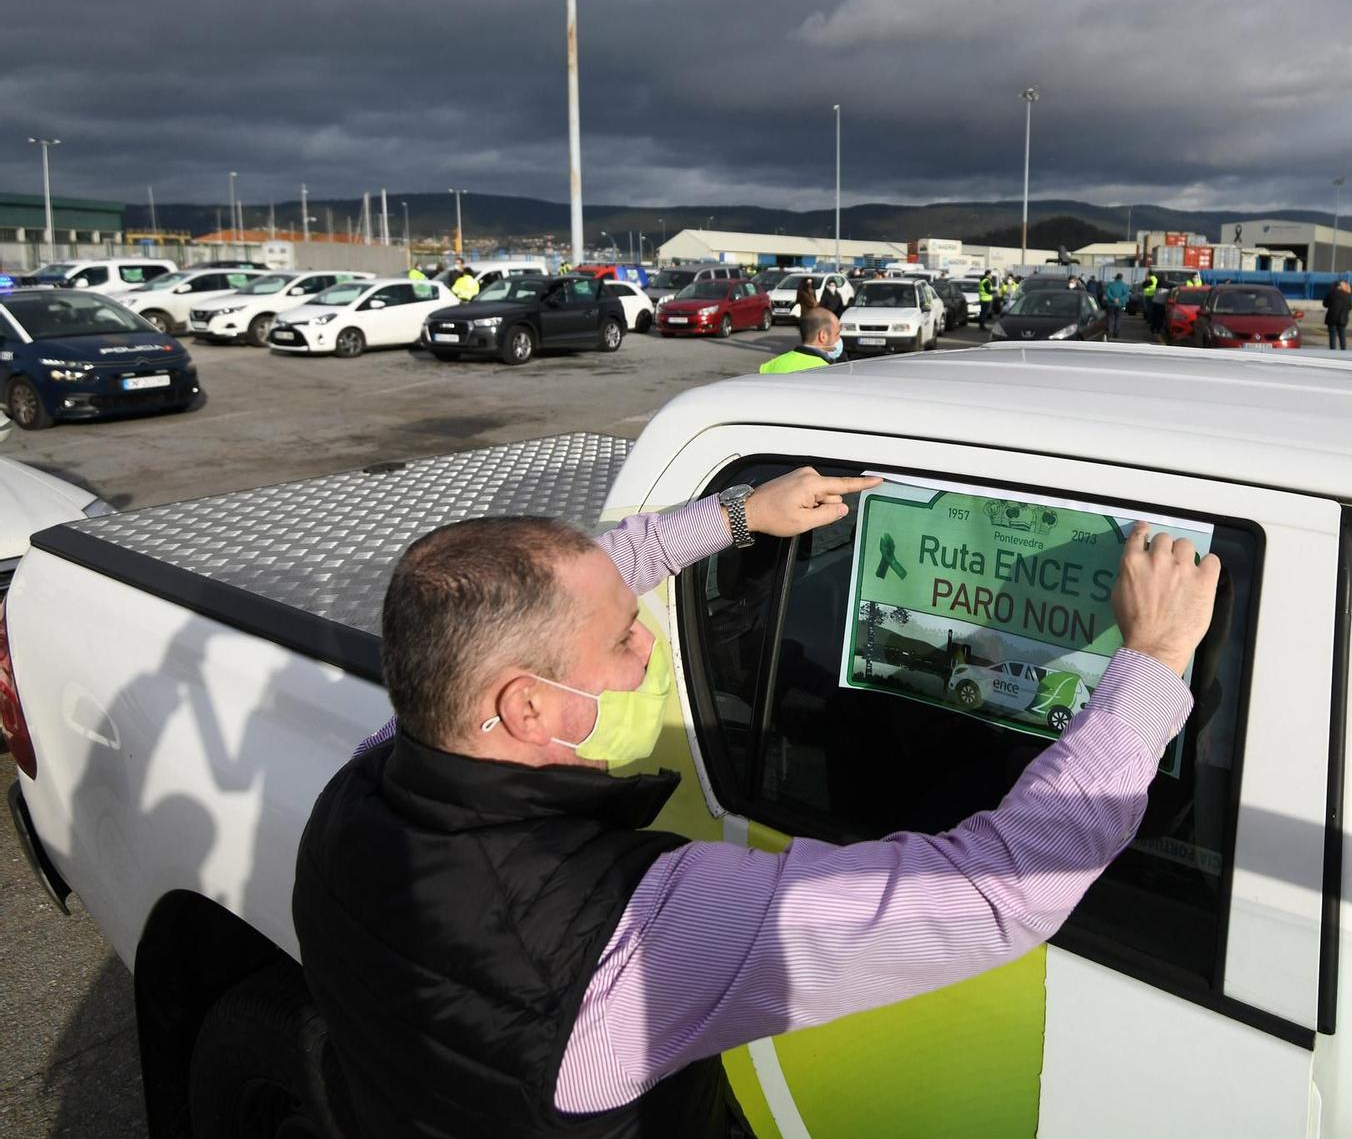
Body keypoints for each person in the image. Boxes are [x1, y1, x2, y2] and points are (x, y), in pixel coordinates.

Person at [293, 472, 1220, 1137]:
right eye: (623, 641)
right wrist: (1155, 661)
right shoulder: (633, 934)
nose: (647, 652)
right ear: (525, 706)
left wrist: (740, 513)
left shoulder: (362, 788)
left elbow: (567, 585)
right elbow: (998, 890)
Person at [759, 308, 841, 373]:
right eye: (837, 334)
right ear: (823, 336)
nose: (839, 339)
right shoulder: (829, 372)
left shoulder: (768, 367)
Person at [1324, 277, 1352, 350]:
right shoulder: (1347, 295)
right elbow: (1350, 307)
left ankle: (1333, 350)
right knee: (1342, 336)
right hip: (1343, 318)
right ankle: (1343, 350)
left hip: (1332, 318)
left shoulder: (1331, 293)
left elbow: (1325, 304)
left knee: (1332, 336)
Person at [1103, 273, 1130, 337]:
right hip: (1121, 305)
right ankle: (1116, 332)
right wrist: (1119, 299)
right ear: (1121, 278)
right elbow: (1126, 294)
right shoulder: (1125, 285)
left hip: (1111, 304)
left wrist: (1113, 299)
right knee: (1118, 318)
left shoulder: (1110, 284)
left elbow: (1107, 292)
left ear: (1116, 277)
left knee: (1110, 318)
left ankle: (1109, 331)